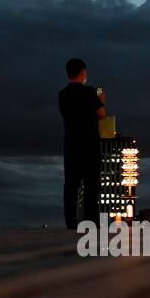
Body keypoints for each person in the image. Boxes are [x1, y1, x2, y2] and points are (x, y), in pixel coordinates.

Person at [58, 57, 104, 229]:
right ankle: (91, 223)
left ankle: (71, 223)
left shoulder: (62, 94)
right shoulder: (90, 92)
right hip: (90, 146)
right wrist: (101, 101)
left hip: (71, 146)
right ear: (83, 72)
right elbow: (101, 114)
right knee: (91, 186)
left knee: (71, 186)